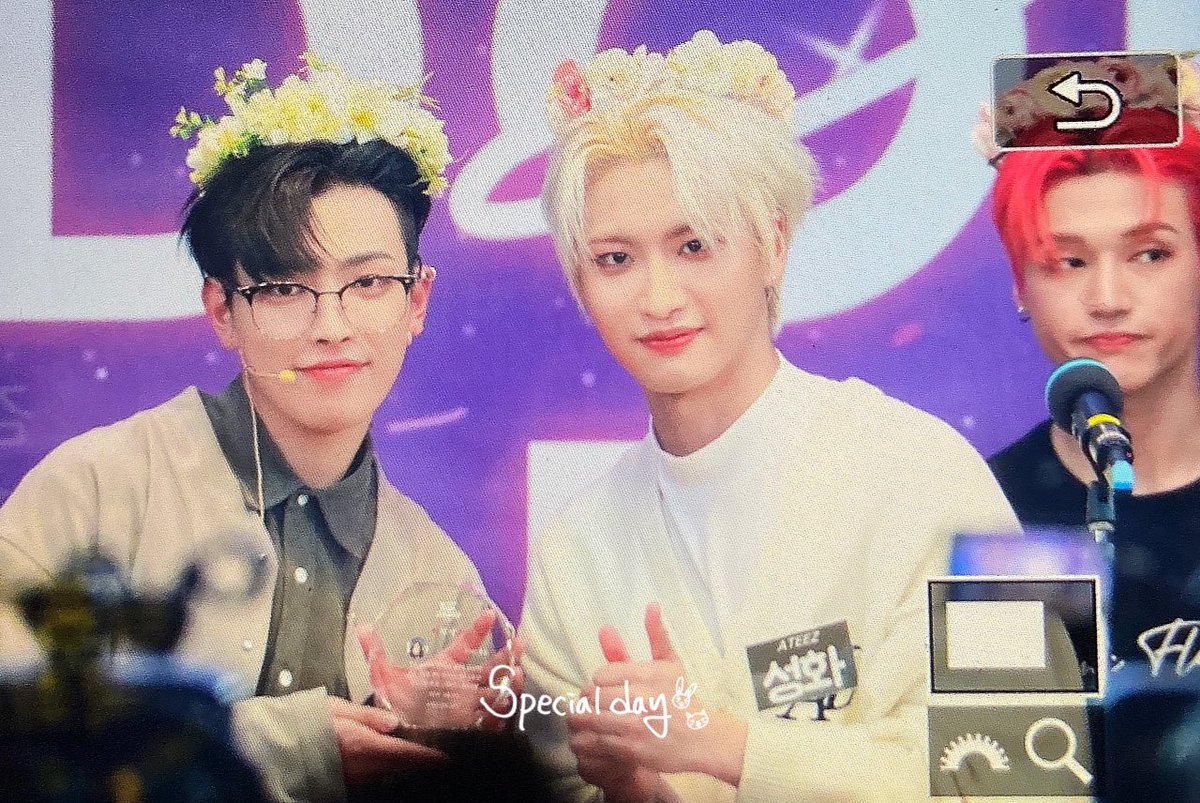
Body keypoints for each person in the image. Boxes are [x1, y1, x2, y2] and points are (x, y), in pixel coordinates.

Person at [518, 31, 1020, 803]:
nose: (659, 298)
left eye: (694, 245)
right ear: (579, 282)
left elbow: (1033, 761)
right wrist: (638, 790)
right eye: (615, 258)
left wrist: (721, 744)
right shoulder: (571, 554)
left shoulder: (932, 468)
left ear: (774, 244)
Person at [0, 55, 503, 802]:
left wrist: (457, 755)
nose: (331, 326)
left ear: (417, 301)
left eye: (368, 282)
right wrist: (286, 745)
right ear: (221, 311)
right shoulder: (96, 489)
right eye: (284, 288)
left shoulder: (442, 579)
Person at [984, 55, 1200, 663]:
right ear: (1019, 285)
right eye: (1067, 261)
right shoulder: (989, 509)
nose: (1108, 300)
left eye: (1150, 254)